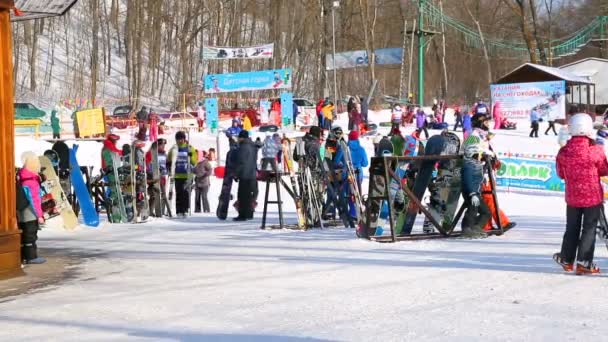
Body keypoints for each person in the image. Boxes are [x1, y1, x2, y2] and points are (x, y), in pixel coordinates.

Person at [553, 113, 608, 275]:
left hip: (572, 197)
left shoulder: (564, 152)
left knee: (572, 228)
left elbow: (560, 174)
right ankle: (584, 262)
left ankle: (567, 259)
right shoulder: (595, 151)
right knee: (589, 229)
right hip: (592, 197)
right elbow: (605, 169)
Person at [460, 113, 493, 238]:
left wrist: (488, 155)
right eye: (485, 122)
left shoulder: (481, 136)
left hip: (476, 179)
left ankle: (475, 227)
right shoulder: (474, 137)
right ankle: (467, 228)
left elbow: (481, 151)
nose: (487, 125)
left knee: (484, 211)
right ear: (479, 123)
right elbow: (468, 150)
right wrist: (481, 155)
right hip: (471, 185)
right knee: (473, 209)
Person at [17, 151, 46, 264]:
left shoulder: (23, 176)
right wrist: (40, 215)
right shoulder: (31, 181)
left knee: (26, 233)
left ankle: (26, 256)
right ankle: (31, 257)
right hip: (30, 212)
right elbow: (34, 200)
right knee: (30, 233)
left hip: (23, 210)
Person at [168, 131, 197, 217]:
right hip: (177, 175)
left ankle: (186, 209)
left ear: (184, 139)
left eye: (181, 139)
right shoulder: (174, 149)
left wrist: (191, 156)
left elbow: (194, 162)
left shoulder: (190, 148)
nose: (179, 141)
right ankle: (179, 211)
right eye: (177, 139)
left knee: (186, 193)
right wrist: (169, 165)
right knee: (179, 193)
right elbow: (169, 159)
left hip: (187, 174)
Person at [233, 130, 258, 221]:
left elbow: (241, 162)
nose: (238, 139)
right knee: (249, 196)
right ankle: (249, 213)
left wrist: (236, 174)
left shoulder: (243, 147)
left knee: (242, 195)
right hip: (252, 174)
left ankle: (242, 215)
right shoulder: (253, 146)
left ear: (242, 138)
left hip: (244, 175)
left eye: (239, 137)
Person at [347, 130, 368, 195]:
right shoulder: (361, 149)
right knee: (357, 194)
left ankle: (351, 204)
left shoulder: (345, 149)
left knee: (349, 194)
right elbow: (365, 164)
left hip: (348, 174)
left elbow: (337, 161)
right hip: (359, 175)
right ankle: (358, 203)